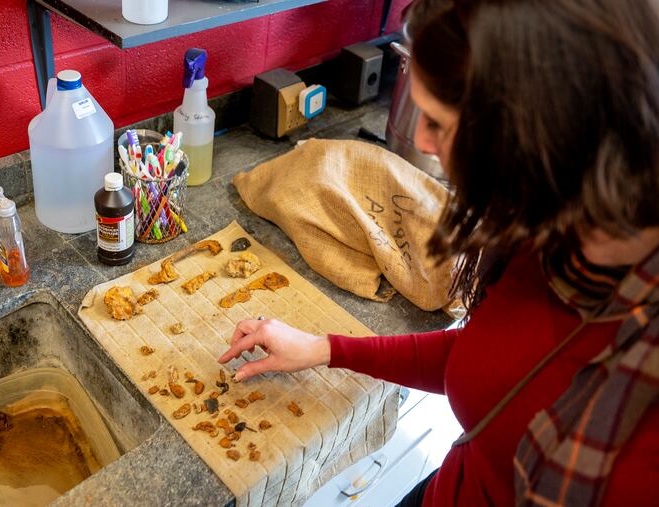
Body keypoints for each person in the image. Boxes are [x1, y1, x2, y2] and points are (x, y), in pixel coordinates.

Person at [218, 0, 659, 505]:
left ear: (542, 137)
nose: (423, 140)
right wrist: (326, 348)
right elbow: (496, 356)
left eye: (440, 124)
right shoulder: (550, 230)